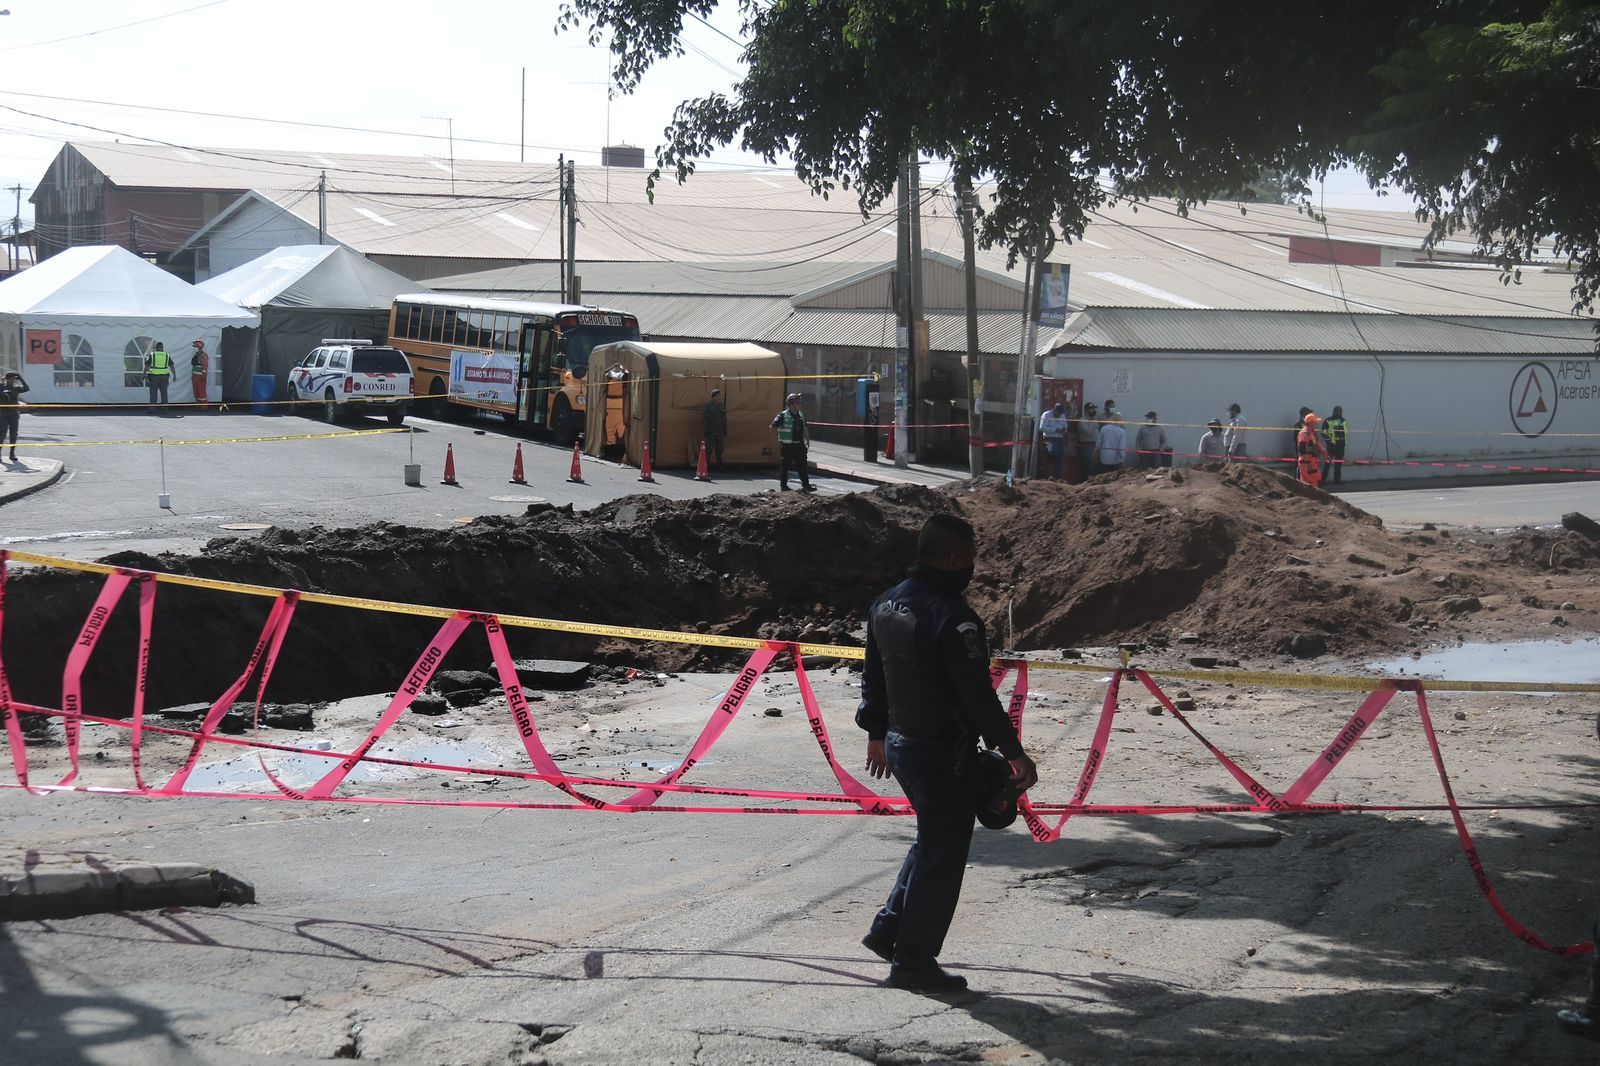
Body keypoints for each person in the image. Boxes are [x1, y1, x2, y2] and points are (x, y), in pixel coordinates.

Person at [857, 513, 1039, 992]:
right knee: (944, 854)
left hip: (901, 746)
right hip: (940, 755)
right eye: (972, 560)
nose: (972, 568)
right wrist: (1015, 752)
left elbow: (873, 677)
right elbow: (978, 697)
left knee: (931, 841)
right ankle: (913, 961)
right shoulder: (952, 617)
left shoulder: (885, 604)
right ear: (956, 559)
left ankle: (890, 929)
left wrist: (876, 731)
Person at [771, 391, 814, 491]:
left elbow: (805, 428)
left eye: (800, 403)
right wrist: (776, 442)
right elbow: (771, 428)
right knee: (785, 466)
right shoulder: (782, 415)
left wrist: (807, 440)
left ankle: (806, 485)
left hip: (799, 445)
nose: (800, 405)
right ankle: (784, 486)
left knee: (803, 465)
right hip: (787, 445)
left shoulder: (801, 415)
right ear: (790, 404)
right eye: (797, 403)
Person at [0, 370, 28, 462]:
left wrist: (20, 378)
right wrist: (1, 382)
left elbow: (27, 388)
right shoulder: (1, 387)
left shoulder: (16, 388)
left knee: (13, 435)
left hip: (14, 415)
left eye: (14, 379)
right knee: (2, 435)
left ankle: (12, 453)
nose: (12, 380)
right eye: (11, 378)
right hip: (3, 414)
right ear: (7, 379)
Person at [1296, 412, 1329, 489]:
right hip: (1306, 462)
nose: (1317, 423)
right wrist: (1307, 462)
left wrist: (1325, 454)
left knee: (1314, 481)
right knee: (1310, 482)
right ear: (1311, 423)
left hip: (1310, 461)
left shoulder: (1311, 432)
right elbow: (1301, 449)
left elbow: (1317, 443)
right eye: (1315, 422)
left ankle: (1315, 498)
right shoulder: (1304, 434)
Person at [1038, 402, 1069, 480]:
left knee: (1060, 457)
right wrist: (1054, 430)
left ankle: (1056, 477)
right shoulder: (1046, 415)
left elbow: (1066, 427)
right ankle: (1042, 475)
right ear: (1054, 410)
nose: (1059, 415)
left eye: (1060, 413)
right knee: (1053, 452)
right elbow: (1042, 428)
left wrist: (1063, 430)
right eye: (1058, 412)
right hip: (1049, 438)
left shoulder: (1063, 416)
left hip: (1060, 439)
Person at [1073, 402, 1099, 482]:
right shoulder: (1082, 420)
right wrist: (1093, 421)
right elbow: (1088, 432)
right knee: (1089, 466)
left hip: (1094, 445)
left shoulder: (1094, 419)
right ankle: (1087, 482)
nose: (1093, 410)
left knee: (1094, 466)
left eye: (1094, 409)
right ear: (1087, 410)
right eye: (1092, 409)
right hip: (1086, 445)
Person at [1323, 405, 1349, 483]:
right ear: (1333, 412)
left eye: (1339, 411)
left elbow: (1345, 432)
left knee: (1338, 463)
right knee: (1327, 463)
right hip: (1331, 445)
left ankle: (1337, 480)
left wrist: (1344, 442)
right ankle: (1323, 479)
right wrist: (1328, 440)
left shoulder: (1343, 421)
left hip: (1340, 445)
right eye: (1337, 411)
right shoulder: (1328, 420)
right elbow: (1323, 432)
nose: (1338, 413)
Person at [703, 388, 728, 466]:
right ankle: (706, 465)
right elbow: (705, 418)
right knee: (709, 449)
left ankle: (720, 465)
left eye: (719, 396)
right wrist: (706, 430)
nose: (718, 397)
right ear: (713, 397)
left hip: (720, 431)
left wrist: (725, 429)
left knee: (719, 449)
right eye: (717, 396)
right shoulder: (709, 405)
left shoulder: (721, 405)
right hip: (711, 431)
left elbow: (724, 417)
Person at [145, 342, 173, 408]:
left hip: (154, 377)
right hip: (164, 377)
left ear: (156, 348)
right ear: (162, 348)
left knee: (153, 394)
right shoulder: (167, 355)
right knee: (164, 394)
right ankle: (165, 410)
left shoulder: (152, 355)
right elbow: (172, 366)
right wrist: (174, 375)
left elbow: (147, 366)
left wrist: (144, 374)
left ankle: (152, 410)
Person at [189, 340, 210, 410]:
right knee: (196, 391)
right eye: (196, 347)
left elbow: (205, 366)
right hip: (195, 377)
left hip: (200, 377)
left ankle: (204, 406)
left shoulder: (204, 355)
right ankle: (198, 404)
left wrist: (203, 376)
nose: (197, 348)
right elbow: (193, 364)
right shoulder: (196, 355)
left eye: (197, 347)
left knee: (201, 391)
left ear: (201, 347)